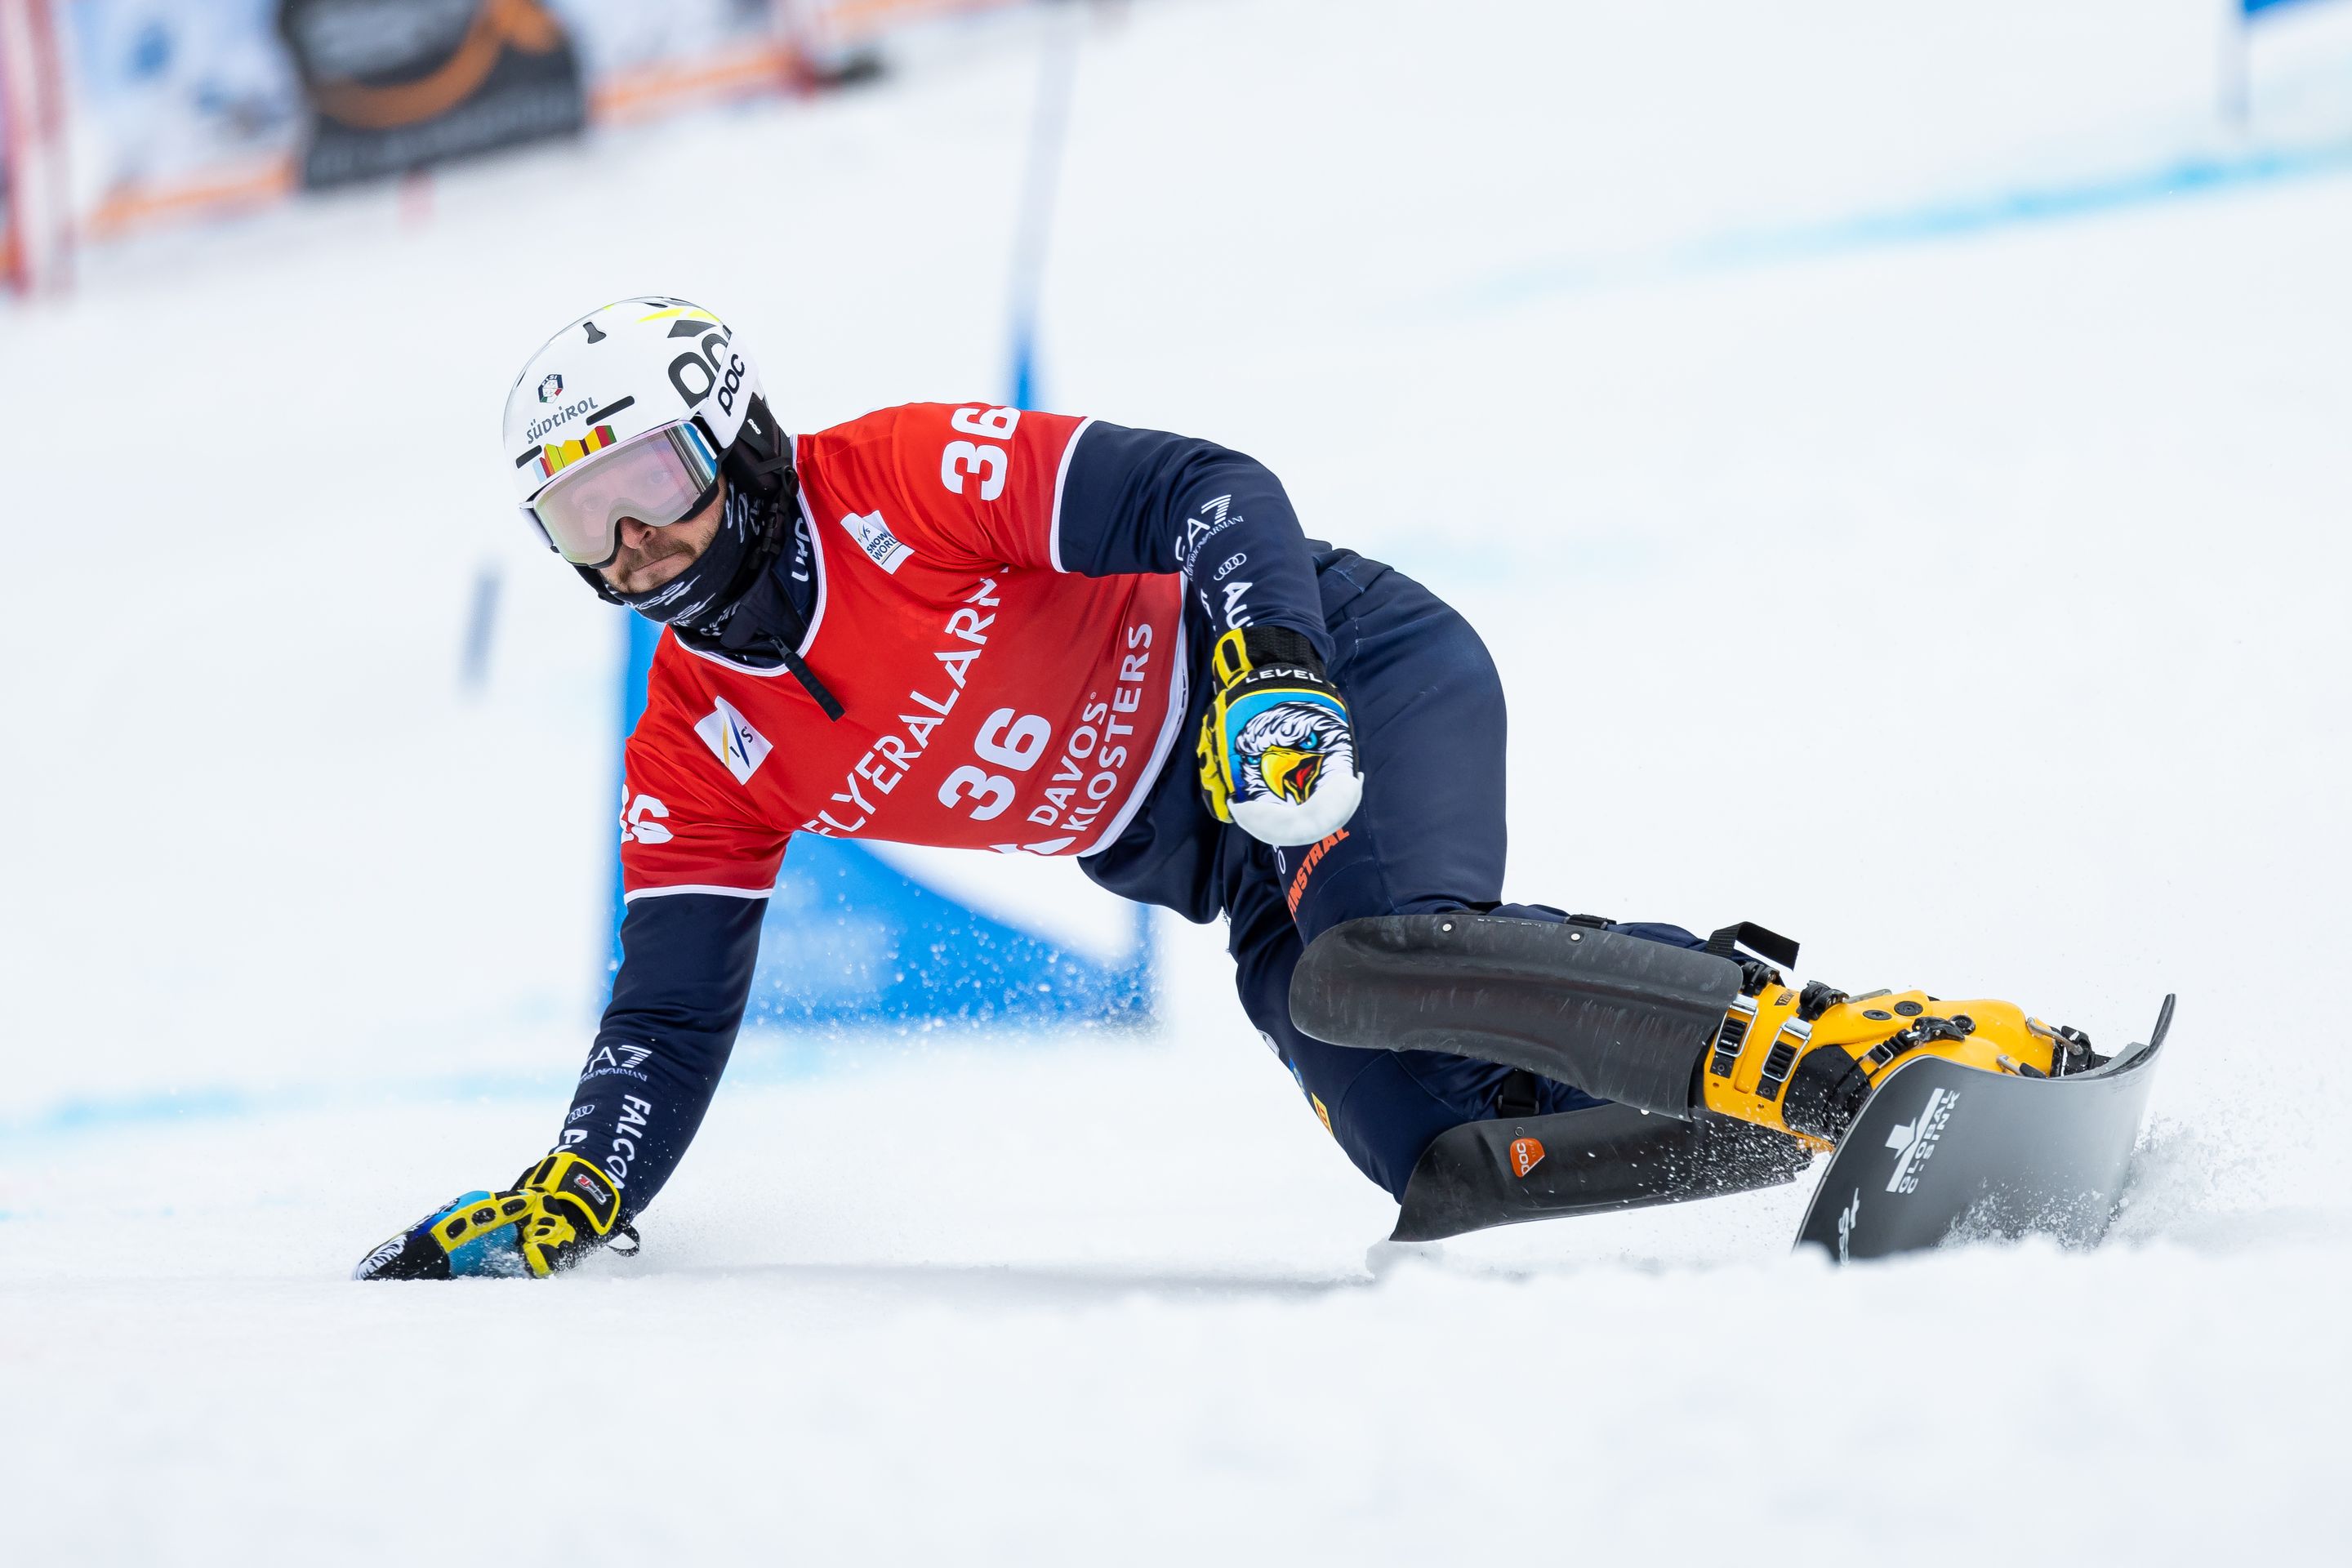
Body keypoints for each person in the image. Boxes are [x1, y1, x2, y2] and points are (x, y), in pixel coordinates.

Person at [356, 299, 2081, 1280]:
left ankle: (1859, 1053)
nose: (636, 539)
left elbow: (1209, 486)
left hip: (1343, 678)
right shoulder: (692, 745)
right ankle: (1788, 1099)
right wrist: (583, 1185)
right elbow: (665, 1018)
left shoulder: (894, 480)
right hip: (1231, 866)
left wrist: (1268, 675)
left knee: (1374, 957)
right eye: (583, 519)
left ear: (729, 431)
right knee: (1462, 1165)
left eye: (647, 476)